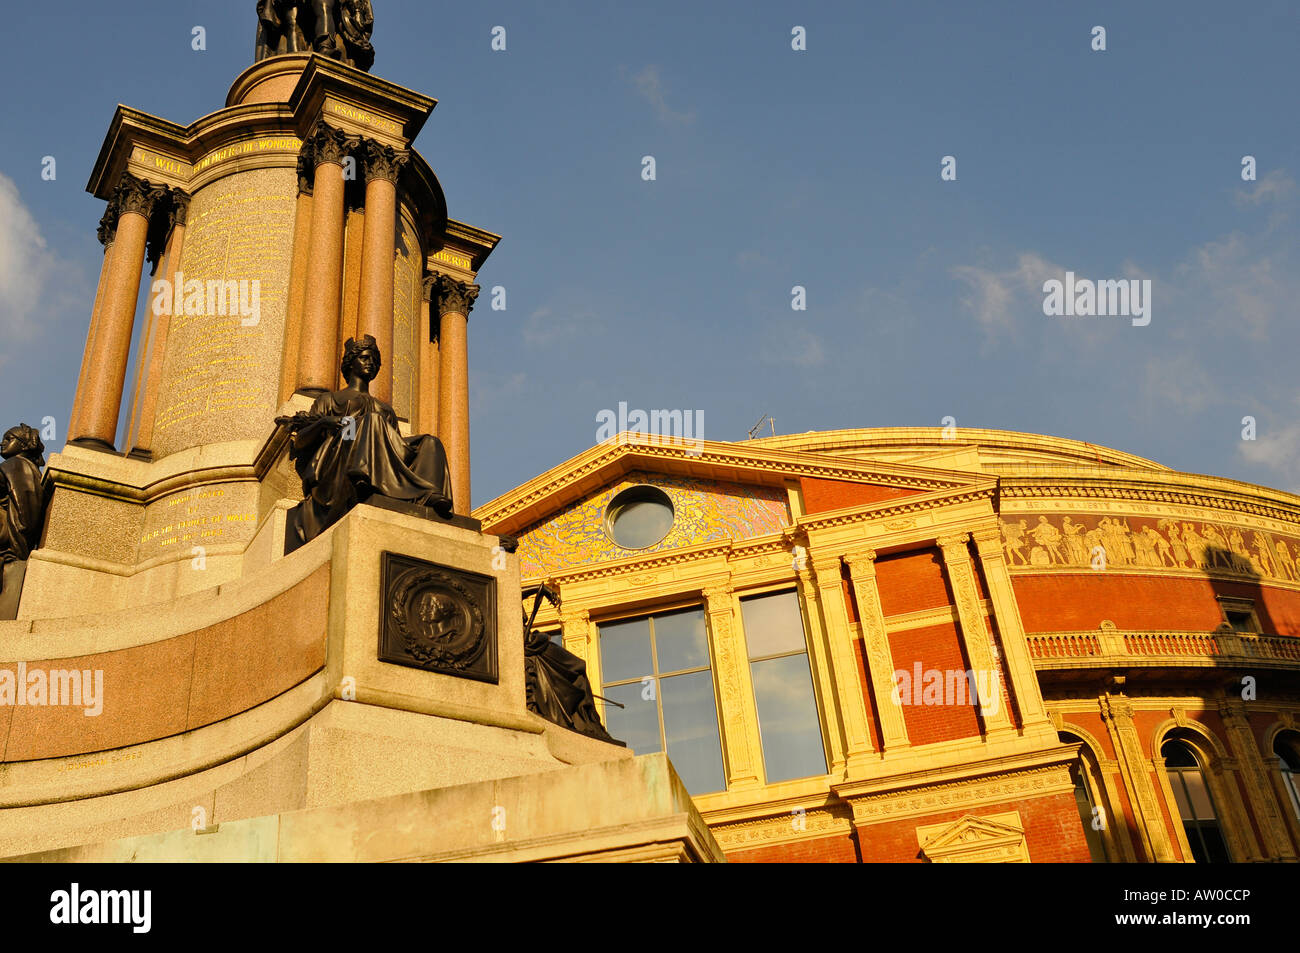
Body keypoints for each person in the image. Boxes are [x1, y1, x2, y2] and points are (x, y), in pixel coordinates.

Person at [279, 335, 452, 551]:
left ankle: (428, 493)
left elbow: (397, 448)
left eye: (373, 359)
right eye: (363, 358)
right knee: (370, 421)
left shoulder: (385, 410)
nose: (370, 363)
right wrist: (325, 421)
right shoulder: (330, 400)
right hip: (342, 458)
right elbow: (302, 441)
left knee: (430, 442)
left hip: (383, 459)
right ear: (351, 363)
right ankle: (362, 475)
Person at [0, 424, 46, 618]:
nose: (2, 443)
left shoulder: (15, 464)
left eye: (8, 439)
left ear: (25, 445)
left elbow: (25, 511)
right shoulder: (23, 466)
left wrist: (18, 547)